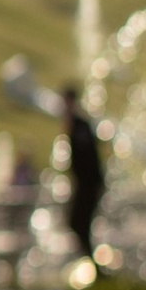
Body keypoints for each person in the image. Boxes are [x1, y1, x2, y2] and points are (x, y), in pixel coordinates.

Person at [61, 88, 106, 261]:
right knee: (78, 223)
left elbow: (89, 158)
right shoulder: (75, 124)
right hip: (84, 183)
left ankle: (94, 264)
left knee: (79, 222)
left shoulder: (80, 126)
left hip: (88, 183)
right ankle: (92, 263)